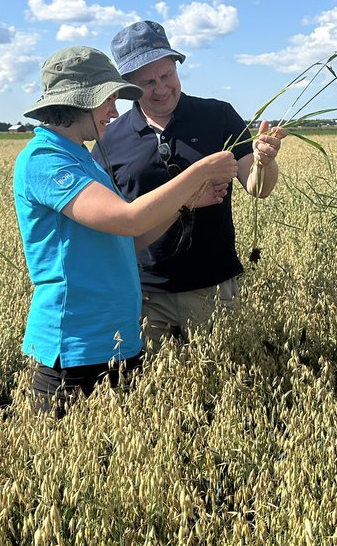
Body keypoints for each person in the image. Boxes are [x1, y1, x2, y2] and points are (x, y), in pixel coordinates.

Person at [13, 46, 237, 412]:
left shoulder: (83, 159)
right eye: (106, 100)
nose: (114, 112)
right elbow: (128, 218)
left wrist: (188, 203)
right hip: (76, 350)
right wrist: (200, 172)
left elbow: (129, 239)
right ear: (79, 100)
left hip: (118, 341)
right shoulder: (44, 160)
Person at [92, 20, 286, 342]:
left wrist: (266, 160)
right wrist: (120, 285)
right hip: (144, 295)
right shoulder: (109, 138)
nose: (160, 88)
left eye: (166, 75)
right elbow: (110, 224)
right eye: (147, 82)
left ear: (176, 67)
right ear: (128, 85)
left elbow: (258, 187)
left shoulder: (218, 116)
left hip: (213, 286)